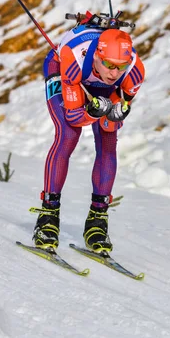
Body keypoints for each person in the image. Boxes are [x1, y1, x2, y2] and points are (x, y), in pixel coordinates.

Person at [33, 19, 145, 254]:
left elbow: (108, 121)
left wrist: (111, 113)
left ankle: (97, 221)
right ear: (97, 57)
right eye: (109, 65)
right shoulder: (74, 56)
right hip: (67, 73)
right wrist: (92, 111)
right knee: (68, 135)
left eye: (120, 67)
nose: (115, 72)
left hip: (102, 88)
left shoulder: (134, 72)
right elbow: (75, 117)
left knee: (108, 140)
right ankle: (48, 216)